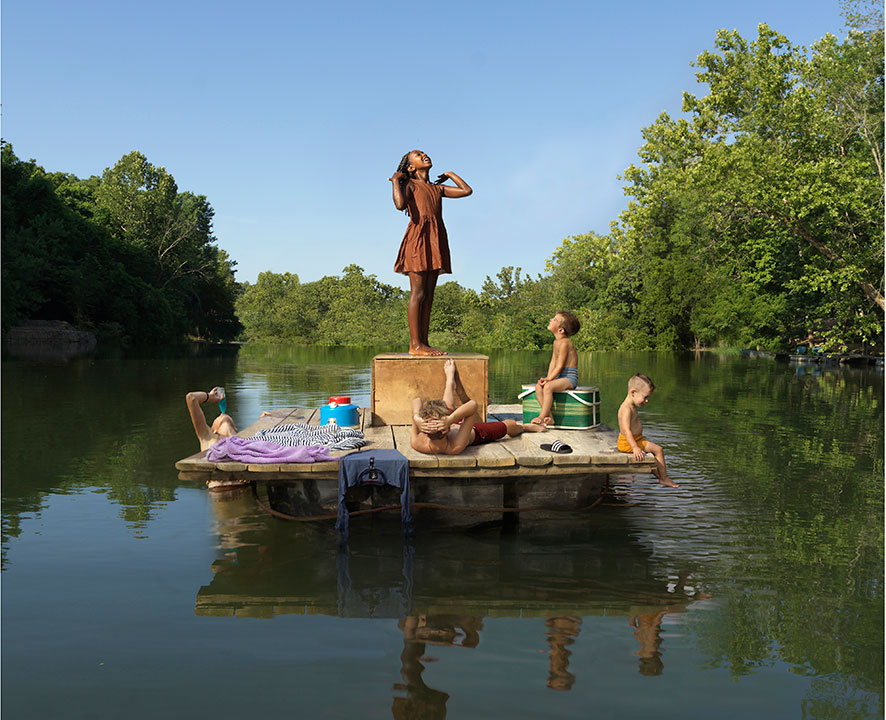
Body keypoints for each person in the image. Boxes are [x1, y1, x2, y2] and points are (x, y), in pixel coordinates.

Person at [390, 150, 472, 356]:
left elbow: (466, 191)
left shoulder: (437, 188)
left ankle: (424, 344)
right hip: (417, 239)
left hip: (435, 239)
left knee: (429, 295)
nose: (424, 155)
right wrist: (396, 181)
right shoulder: (409, 185)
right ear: (410, 167)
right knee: (418, 293)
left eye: (424, 153)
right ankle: (414, 345)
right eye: (418, 155)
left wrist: (451, 174)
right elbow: (400, 205)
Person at [411, 359, 544, 455]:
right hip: (474, 431)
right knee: (508, 426)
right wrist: (450, 420)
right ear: (447, 429)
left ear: (424, 428)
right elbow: (472, 406)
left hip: (451, 422)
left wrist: (417, 418)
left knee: (448, 405)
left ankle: (450, 381)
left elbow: (416, 400)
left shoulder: (417, 442)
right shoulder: (455, 446)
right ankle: (525, 427)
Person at [616, 373, 678, 488]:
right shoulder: (626, 409)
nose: (646, 401)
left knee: (652, 457)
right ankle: (664, 478)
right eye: (645, 397)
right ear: (633, 393)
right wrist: (635, 448)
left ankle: (660, 477)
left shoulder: (631, 406)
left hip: (636, 439)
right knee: (658, 450)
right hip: (628, 443)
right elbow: (626, 430)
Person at [530, 311, 581, 426]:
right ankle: (550, 417)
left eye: (555, 319)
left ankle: (542, 416)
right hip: (558, 376)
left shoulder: (565, 343)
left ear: (561, 330)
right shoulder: (555, 342)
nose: (551, 320)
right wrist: (548, 378)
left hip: (569, 377)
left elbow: (560, 365)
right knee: (539, 387)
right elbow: (553, 362)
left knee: (548, 387)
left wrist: (549, 380)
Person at [186, 387, 271, 451]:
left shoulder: (243, 439)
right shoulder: (208, 437)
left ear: (235, 429)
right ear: (214, 430)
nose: (222, 414)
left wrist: (264, 420)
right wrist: (210, 396)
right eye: (219, 417)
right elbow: (191, 398)